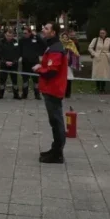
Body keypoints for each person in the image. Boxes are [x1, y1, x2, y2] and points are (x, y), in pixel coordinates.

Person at [33, 23, 68, 164]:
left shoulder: (56, 49)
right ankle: (55, 149)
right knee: (54, 121)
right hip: (51, 88)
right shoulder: (52, 46)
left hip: (53, 89)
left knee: (56, 121)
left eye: (46, 29)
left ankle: (58, 153)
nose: (43, 30)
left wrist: (39, 69)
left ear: (53, 32)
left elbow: (52, 71)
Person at [19, 28, 43, 99]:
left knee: (36, 80)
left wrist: (37, 35)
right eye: (23, 33)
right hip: (25, 63)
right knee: (25, 80)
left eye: (26, 33)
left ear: (30, 33)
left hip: (34, 63)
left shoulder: (35, 39)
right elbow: (19, 50)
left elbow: (43, 43)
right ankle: (24, 94)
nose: (24, 34)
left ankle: (37, 94)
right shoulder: (21, 40)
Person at [88, 29, 110, 93]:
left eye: (103, 33)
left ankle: (103, 88)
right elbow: (90, 48)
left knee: (104, 74)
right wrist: (94, 54)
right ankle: (97, 87)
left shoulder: (109, 40)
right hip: (97, 58)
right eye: (101, 33)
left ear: (106, 34)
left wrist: (109, 54)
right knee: (97, 73)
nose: (102, 34)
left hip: (106, 58)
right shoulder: (95, 39)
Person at [0, 30, 21, 100]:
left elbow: (18, 53)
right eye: (8, 36)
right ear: (5, 35)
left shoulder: (15, 42)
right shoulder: (1, 42)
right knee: (2, 81)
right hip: (4, 65)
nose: (9, 37)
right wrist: (5, 62)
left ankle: (16, 95)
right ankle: (0, 95)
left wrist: (14, 62)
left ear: (13, 36)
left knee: (15, 81)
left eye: (10, 36)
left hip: (14, 65)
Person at [60, 32, 80, 98]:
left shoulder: (71, 43)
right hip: (61, 64)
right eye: (64, 37)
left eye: (66, 37)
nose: (65, 38)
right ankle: (62, 92)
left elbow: (76, 52)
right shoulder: (60, 44)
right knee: (62, 79)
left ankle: (68, 93)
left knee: (69, 79)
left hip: (68, 64)